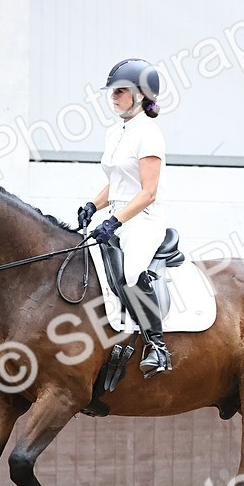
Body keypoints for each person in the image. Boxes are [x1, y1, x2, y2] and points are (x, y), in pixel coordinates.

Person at [78, 57, 171, 376]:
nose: (113, 96)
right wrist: (93, 204)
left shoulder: (150, 134)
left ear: (141, 94)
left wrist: (116, 222)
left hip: (143, 219)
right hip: (115, 216)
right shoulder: (115, 133)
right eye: (112, 91)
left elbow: (148, 191)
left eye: (120, 91)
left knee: (132, 272)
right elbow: (118, 181)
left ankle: (157, 347)